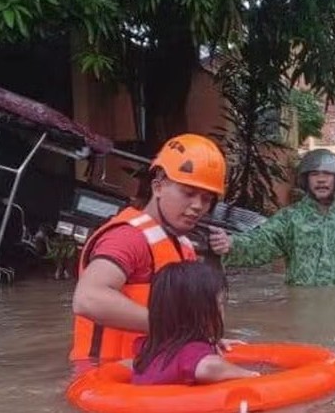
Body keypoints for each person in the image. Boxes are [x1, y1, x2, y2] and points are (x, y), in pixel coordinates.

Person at [70, 134, 231, 362]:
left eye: (206, 199)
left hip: (149, 372)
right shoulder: (127, 238)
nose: (197, 206)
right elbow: (87, 299)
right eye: (188, 193)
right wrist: (175, 329)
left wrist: (203, 340)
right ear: (158, 187)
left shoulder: (183, 244)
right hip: (105, 376)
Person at [221, 149, 335, 288]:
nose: (321, 179)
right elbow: (260, 243)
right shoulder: (290, 218)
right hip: (300, 310)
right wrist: (230, 244)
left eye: (327, 174)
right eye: (315, 174)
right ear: (306, 179)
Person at [132, 261, 259, 385]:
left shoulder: (147, 347)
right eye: (220, 303)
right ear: (201, 313)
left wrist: (211, 341)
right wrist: (248, 374)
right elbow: (209, 367)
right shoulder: (191, 352)